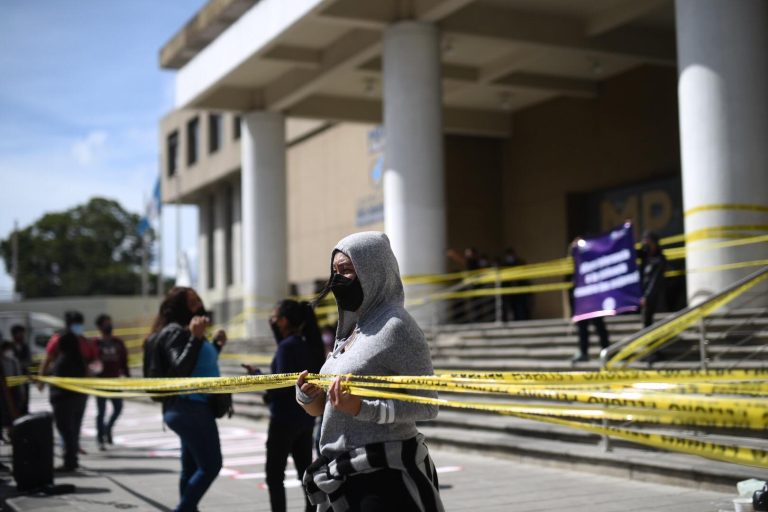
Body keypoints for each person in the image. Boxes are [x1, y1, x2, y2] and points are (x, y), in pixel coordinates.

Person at [296, 231, 444, 511]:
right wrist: (307, 395)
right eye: (334, 272)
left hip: (384, 478)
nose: (337, 279)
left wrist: (363, 408)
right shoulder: (349, 331)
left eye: (347, 270)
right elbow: (324, 410)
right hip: (341, 474)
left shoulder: (397, 326)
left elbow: (427, 404)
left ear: (373, 270)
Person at [145, 287, 227, 512]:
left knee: (190, 469)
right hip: (191, 407)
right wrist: (194, 338)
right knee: (211, 465)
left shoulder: (186, 332)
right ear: (179, 306)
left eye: (199, 301)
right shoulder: (177, 332)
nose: (199, 306)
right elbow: (180, 369)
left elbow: (199, 367)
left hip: (191, 407)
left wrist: (215, 346)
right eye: (193, 303)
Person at [246, 300, 325, 512]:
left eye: (276, 318)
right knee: (305, 474)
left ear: (285, 321)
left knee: (274, 476)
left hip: (283, 421)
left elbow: (279, 386)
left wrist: (257, 376)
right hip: (305, 419)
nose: (273, 322)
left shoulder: (286, 347)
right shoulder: (309, 344)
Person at [40, 311, 98, 472]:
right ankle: (71, 456)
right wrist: (41, 378)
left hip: (69, 395)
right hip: (78, 393)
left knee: (68, 427)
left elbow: (90, 363)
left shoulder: (82, 342)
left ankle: (70, 457)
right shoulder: (60, 341)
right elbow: (47, 360)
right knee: (71, 427)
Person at [93, 314, 130, 450]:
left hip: (115, 381)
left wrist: (127, 375)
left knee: (118, 408)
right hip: (100, 382)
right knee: (101, 411)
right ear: (99, 326)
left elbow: (124, 360)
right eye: (106, 323)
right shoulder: (95, 343)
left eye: (110, 323)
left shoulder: (118, 342)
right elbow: (91, 360)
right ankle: (100, 438)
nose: (109, 326)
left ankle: (108, 429)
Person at [639, 231, 667, 328]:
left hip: (654, 297)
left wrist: (647, 296)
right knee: (646, 322)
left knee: (650, 322)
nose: (645, 244)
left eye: (648, 242)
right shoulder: (645, 259)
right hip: (646, 296)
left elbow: (654, 280)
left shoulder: (659, 259)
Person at [10, 324, 31, 415]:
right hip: (13, 377)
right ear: (14, 334)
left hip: (24, 376)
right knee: (14, 398)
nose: (22, 335)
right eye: (20, 333)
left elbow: (28, 360)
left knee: (25, 398)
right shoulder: (9, 347)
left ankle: (24, 414)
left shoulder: (25, 346)